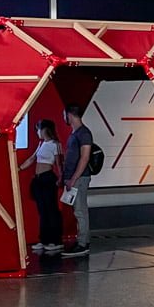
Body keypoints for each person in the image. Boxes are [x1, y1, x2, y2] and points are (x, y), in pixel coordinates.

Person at [17, 119, 64, 255]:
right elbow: (32, 159)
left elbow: (59, 163)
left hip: (48, 178)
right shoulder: (41, 144)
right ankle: (44, 239)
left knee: (51, 209)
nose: (37, 132)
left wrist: (61, 178)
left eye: (38, 129)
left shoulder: (55, 144)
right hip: (38, 180)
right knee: (42, 210)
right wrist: (18, 168)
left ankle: (55, 241)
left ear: (44, 129)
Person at [61, 104, 94, 258]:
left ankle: (83, 243)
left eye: (65, 115)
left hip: (79, 178)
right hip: (73, 178)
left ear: (69, 115)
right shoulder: (75, 133)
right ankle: (82, 241)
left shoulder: (84, 133)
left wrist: (73, 179)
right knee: (78, 210)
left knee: (80, 211)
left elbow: (85, 158)